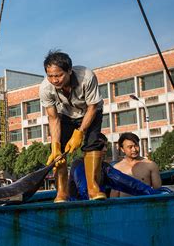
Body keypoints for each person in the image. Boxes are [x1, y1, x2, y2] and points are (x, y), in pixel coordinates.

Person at [40, 50, 106, 202]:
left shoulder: (87, 77)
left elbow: (92, 107)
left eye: (58, 75)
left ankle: (93, 189)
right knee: (59, 152)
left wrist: (80, 132)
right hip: (66, 115)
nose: (54, 80)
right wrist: (55, 146)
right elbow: (53, 117)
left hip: (90, 111)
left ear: (69, 70)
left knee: (92, 144)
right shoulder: (45, 88)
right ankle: (62, 192)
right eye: (50, 76)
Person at [111, 132, 162, 197]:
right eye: (130, 147)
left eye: (136, 145)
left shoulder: (150, 165)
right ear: (122, 149)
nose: (134, 149)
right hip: (125, 205)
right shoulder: (117, 168)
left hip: (145, 204)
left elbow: (158, 191)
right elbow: (114, 193)